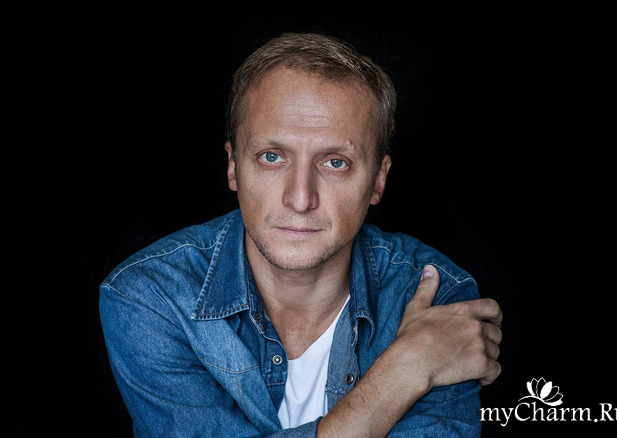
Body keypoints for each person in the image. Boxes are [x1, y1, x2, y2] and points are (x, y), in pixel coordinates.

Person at [99, 32, 503, 437]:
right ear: (233, 167)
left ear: (378, 181)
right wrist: (404, 370)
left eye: (335, 162)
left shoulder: (436, 299)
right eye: (272, 157)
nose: (300, 198)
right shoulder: (150, 296)